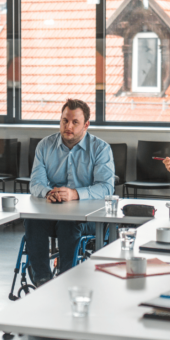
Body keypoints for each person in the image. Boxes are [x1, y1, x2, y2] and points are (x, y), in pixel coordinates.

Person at [25, 99, 115, 286]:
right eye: (65, 120)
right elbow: (35, 183)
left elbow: (107, 187)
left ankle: (66, 280)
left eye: (75, 122)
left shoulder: (100, 149)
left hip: (85, 219)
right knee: (32, 219)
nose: (68, 126)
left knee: (68, 224)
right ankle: (42, 279)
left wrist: (75, 194)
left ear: (86, 125)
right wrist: (49, 192)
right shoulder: (44, 146)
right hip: (52, 215)